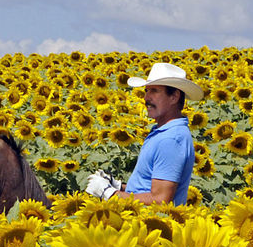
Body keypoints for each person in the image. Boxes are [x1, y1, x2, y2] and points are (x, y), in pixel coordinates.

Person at [85, 62, 204, 205]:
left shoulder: (171, 139)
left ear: (174, 97)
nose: (146, 98)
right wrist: (119, 187)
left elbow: (160, 199)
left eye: (154, 91)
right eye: (147, 91)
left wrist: (110, 193)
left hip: (151, 224)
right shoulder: (163, 132)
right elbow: (147, 187)